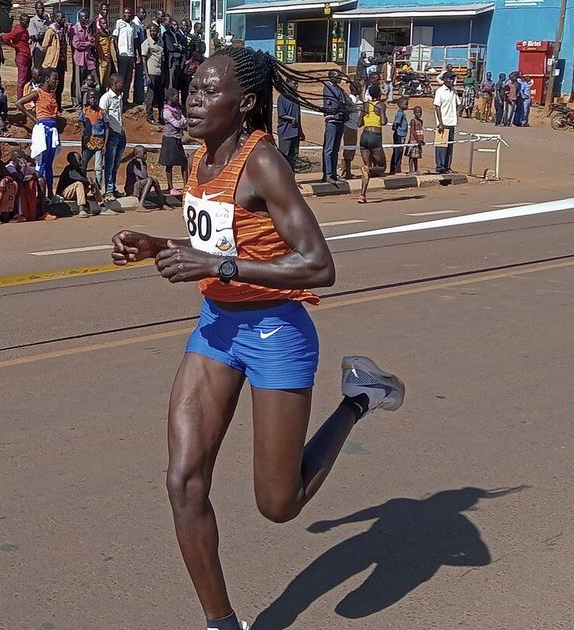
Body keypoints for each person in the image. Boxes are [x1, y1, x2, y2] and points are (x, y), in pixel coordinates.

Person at [109, 45, 405, 630]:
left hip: (276, 334)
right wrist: (159, 246)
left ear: (242, 103)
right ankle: (222, 624)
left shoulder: (263, 162)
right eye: (191, 86)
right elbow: (222, 244)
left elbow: (318, 265)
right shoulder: (200, 158)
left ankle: (360, 398)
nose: (192, 97)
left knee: (279, 504)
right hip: (217, 328)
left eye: (206, 90)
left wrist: (215, 268)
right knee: (183, 481)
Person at [16, 68, 61, 206]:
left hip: (53, 130)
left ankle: (50, 194)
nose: (56, 82)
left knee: (49, 164)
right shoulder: (37, 93)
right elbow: (19, 103)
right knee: (41, 163)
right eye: (54, 79)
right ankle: (36, 195)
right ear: (47, 79)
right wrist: (33, 118)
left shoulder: (52, 94)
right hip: (43, 130)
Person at [357, 84, 387, 204]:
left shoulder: (365, 105)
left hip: (364, 135)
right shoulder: (381, 105)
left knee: (366, 164)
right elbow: (384, 122)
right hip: (375, 136)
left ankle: (362, 194)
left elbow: (359, 123)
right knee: (382, 167)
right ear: (379, 94)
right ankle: (369, 169)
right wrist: (380, 114)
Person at [99, 73, 127, 200]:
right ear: (114, 84)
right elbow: (103, 118)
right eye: (121, 82)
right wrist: (109, 132)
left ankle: (113, 188)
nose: (123, 84)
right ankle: (108, 190)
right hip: (111, 135)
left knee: (116, 164)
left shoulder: (120, 97)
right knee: (109, 165)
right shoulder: (106, 98)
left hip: (120, 133)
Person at [321, 69, 346, 185]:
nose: (340, 78)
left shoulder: (339, 89)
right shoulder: (328, 88)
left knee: (336, 149)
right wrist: (343, 106)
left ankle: (334, 173)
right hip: (332, 120)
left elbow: (346, 101)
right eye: (338, 76)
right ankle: (328, 174)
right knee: (329, 149)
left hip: (340, 120)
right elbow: (334, 103)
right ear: (331, 77)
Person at [160, 91, 188, 196]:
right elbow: (178, 123)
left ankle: (186, 185)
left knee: (184, 162)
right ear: (171, 97)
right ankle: (170, 187)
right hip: (169, 139)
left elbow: (184, 121)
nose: (178, 98)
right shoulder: (166, 111)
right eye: (176, 96)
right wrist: (182, 122)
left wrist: (182, 122)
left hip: (177, 138)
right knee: (169, 164)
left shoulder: (177, 109)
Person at [40, 11, 69, 109]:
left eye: (64, 17)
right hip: (53, 62)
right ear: (56, 18)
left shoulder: (63, 29)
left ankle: (58, 106)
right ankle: (50, 105)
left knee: (60, 86)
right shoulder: (51, 31)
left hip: (61, 61)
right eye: (61, 17)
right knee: (52, 85)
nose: (63, 19)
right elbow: (44, 46)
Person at [57, 151, 101, 217]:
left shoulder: (79, 169)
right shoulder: (69, 169)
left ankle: (101, 204)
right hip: (64, 194)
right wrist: (88, 181)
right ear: (73, 161)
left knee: (93, 182)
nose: (82, 161)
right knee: (79, 184)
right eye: (79, 159)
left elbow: (86, 182)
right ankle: (81, 208)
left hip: (74, 193)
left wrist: (91, 184)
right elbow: (80, 178)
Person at [79, 86, 107, 189]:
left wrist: (105, 144)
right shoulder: (84, 112)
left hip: (99, 143)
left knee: (98, 167)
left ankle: (98, 187)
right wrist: (82, 141)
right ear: (87, 99)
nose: (93, 99)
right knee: (83, 164)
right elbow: (83, 127)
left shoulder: (102, 112)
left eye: (95, 97)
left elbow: (107, 128)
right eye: (91, 98)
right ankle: (84, 184)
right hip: (87, 143)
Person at [1, 13, 32, 98]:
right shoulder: (18, 30)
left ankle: (26, 99)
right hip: (21, 56)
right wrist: (15, 46)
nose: (27, 24)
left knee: (28, 79)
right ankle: (20, 100)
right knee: (22, 80)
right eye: (25, 22)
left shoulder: (25, 30)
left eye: (28, 22)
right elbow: (5, 38)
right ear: (21, 21)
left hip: (27, 55)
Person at [433, 70, 458, 174]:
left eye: (452, 78)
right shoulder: (440, 91)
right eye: (449, 78)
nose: (451, 80)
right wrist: (440, 123)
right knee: (441, 146)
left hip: (452, 122)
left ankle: (447, 166)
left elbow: (458, 103)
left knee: (449, 146)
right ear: (444, 80)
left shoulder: (454, 91)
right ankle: (440, 166)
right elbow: (437, 107)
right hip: (443, 123)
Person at [125, 144, 164, 210]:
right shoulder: (132, 164)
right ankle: (140, 205)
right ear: (137, 155)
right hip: (132, 189)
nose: (146, 155)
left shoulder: (143, 164)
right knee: (149, 179)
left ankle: (162, 203)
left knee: (155, 180)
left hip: (139, 186)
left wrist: (142, 164)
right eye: (144, 153)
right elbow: (144, 176)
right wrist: (141, 163)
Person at [141, 22, 164, 125]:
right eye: (151, 31)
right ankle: (149, 117)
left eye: (155, 30)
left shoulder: (160, 42)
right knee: (151, 95)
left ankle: (161, 117)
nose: (153, 32)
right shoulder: (147, 43)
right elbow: (144, 59)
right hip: (151, 72)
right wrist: (147, 75)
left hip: (160, 72)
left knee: (161, 96)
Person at [71, 10, 96, 107]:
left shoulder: (88, 29)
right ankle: (78, 103)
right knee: (78, 82)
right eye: (84, 17)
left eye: (87, 17)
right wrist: (88, 43)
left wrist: (88, 42)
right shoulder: (75, 29)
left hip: (88, 59)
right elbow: (77, 44)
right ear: (80, 18)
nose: (86, 19)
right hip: (79, 59)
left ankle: (88, 101)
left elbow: (92, 41)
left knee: (91, 80)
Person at [276, 78, 303, 166]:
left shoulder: (296, 97)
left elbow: (298, 116)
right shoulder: (282, 97)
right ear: (288, 83)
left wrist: (301, 131)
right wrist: (291, 119)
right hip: (286, 132)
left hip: (295, 132)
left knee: (294, 156)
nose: (296, 86)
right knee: (285, 156)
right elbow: (281, 114)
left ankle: (292, 177)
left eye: (297, 84)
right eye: (294, 83)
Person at [113, 7, 136, 104]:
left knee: (128, 78)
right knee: (121, 78)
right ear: (123, 13)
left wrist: (136, 54)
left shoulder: (133, 24)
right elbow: (115, 38)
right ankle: (119, 98)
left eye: (129, 13)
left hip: (131, 55)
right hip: (122, 54)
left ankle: (125, 98)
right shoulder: (119, 23)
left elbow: (134, 39)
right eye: (126, 13)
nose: (128, 15)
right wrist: (117, 52)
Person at [340, 79, 362, 180]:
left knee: (350, 149)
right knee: (349, 149)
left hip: (352, 126)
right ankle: (346, 172)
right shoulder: (351, 100)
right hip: (350, 126)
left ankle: (346, 171)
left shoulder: (355, 100)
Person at [95, 9, 115, 88]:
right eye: (103, 23)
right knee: (101, 80)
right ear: (99, 24)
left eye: (106, 23)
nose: (105, 25)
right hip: (102, 61)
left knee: (106, 82)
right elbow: (95, 48)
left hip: (108, 60)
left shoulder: (108, 34)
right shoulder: (98, 35)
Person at [27, 2, 48, 76]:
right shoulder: (32, 21)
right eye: (39, 8)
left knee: (46, 71)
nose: (41, 10)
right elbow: (34, 37)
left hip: (47, 50)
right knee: (37, 70)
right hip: (37, 49)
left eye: (42, 8)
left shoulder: (46, 21)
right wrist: (45, 34)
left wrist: (42, 35)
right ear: (35, 9)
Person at [390, 97, 409, 175]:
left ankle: (394, 169)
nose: (407, 106)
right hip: (399, 135)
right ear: (401, 105)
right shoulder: (400, 114)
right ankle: (396, 169)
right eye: (406, 104)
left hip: (401, 135)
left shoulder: (402, 113)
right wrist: (397, 133)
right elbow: (395, 124)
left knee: (398, 152)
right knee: (398, 152)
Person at [407, 104, 425, 174]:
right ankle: (410, 170)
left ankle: (416, 169)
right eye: (417, 112)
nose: (419, 114)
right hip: (413, 141)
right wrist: (417, 140)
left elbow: (420, 131)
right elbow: (413, 131)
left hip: (418, 141)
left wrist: (421, 140)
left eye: (420, 112)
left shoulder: (421, 121)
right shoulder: (413, 121)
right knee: (412, 156)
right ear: (414, 113)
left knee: (416, 156)